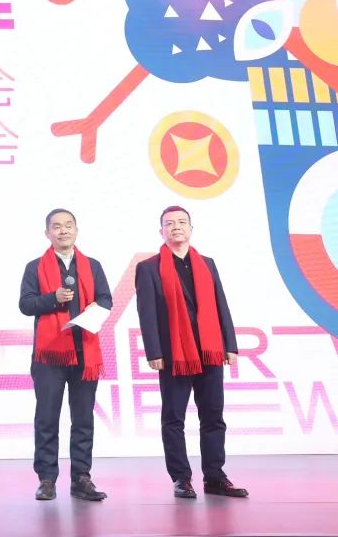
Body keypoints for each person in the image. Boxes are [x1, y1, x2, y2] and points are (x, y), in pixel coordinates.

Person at [135, 206, 248, 499]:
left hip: (209, 351)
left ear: (191, 229)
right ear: (161, 231)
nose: (176, 227)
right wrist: (154, 351)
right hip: (174, 354)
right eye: (169, 223)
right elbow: (147, 313)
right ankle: (181, 478)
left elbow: (221, 304)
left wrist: (229, 344)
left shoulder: (207, 263)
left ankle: (215, 477)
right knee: (174, 418)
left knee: (213, 416)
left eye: (182, 222)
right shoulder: (148, 268)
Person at [18, 209, 112, 502]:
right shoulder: (35, 267)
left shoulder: (92, 265)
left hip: (85, 352)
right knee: (47, 418)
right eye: (56, 227)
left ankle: (81, 478)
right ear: (47, 233)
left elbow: (106, 299)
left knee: (83, 419)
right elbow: (26, 304)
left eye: (68, 225)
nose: (63, 231)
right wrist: (52, 298)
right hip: (49, 356)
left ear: (76, 230)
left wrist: (93, 310)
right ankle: (46, 479)